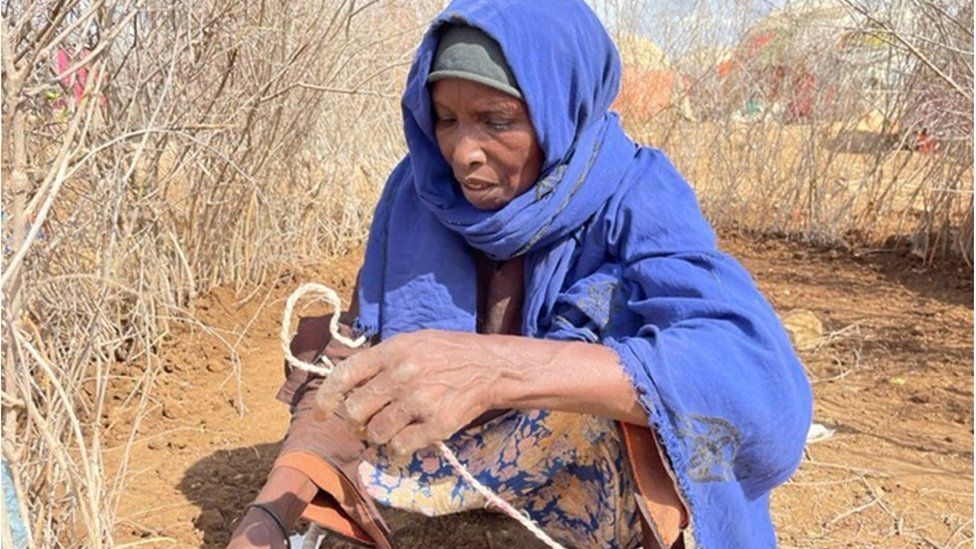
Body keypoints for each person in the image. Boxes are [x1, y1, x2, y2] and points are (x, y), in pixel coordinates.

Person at [228, 1, 812, 547]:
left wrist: (495, 369)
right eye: (446, 119)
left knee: (634, 365)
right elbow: (350, 370)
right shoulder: (417, 192)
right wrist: (268, 518)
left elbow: (753, 382)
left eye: (496, 120)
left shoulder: (636, 192)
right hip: (444, 463)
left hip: (585, 477)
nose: (462, 153)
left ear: (562, 106)